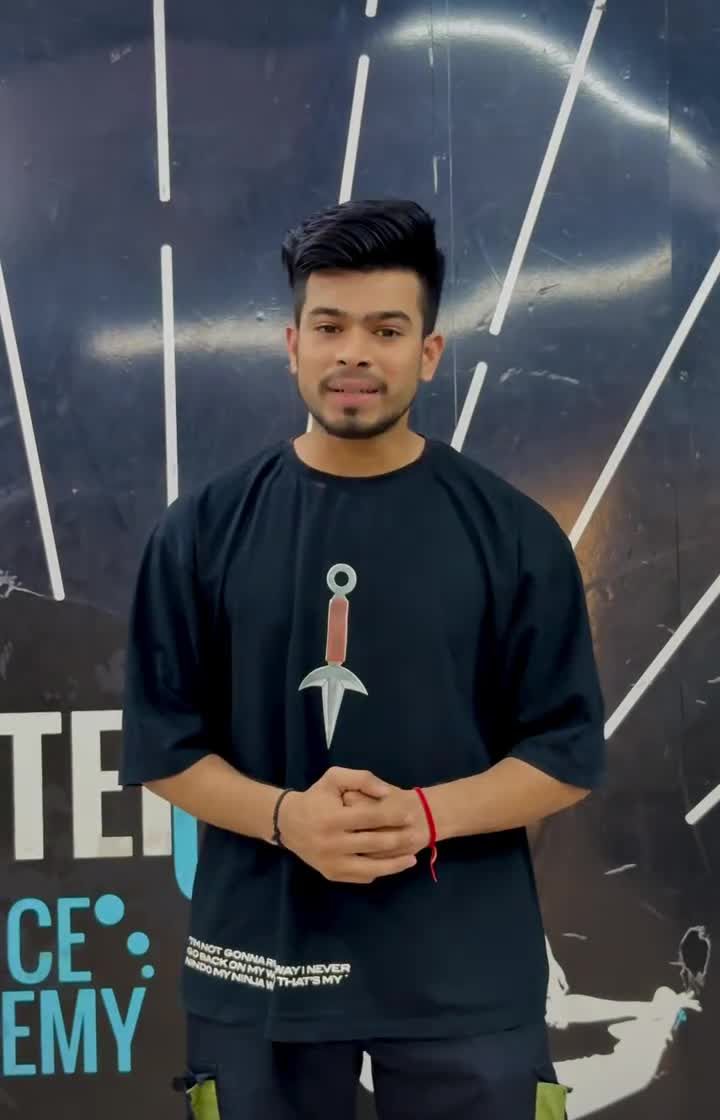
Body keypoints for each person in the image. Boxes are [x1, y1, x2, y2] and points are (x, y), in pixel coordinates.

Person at [120, 198, 606, 1120]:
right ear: (291, 344)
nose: (354, 354)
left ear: (428, 351)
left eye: (386, 330)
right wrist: (286, 819)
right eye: (330, 326)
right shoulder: (202, 532)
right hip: (261, 968)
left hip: (465, 975)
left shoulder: (513, 535)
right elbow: (163, 747)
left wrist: (425, 816)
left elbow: (565, 753)